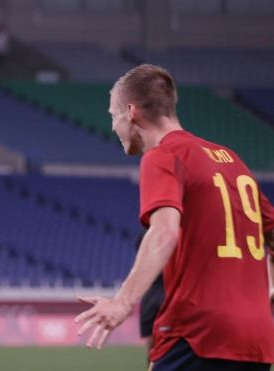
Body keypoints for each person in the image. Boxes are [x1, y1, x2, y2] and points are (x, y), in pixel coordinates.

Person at [75, 64, 274, 370]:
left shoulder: (164, 156)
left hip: (197, 333)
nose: (114, 127)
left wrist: (121, 303)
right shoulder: (231, 160)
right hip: (256, 338)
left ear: (131, 112)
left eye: (113, 116)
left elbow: (165, 233)